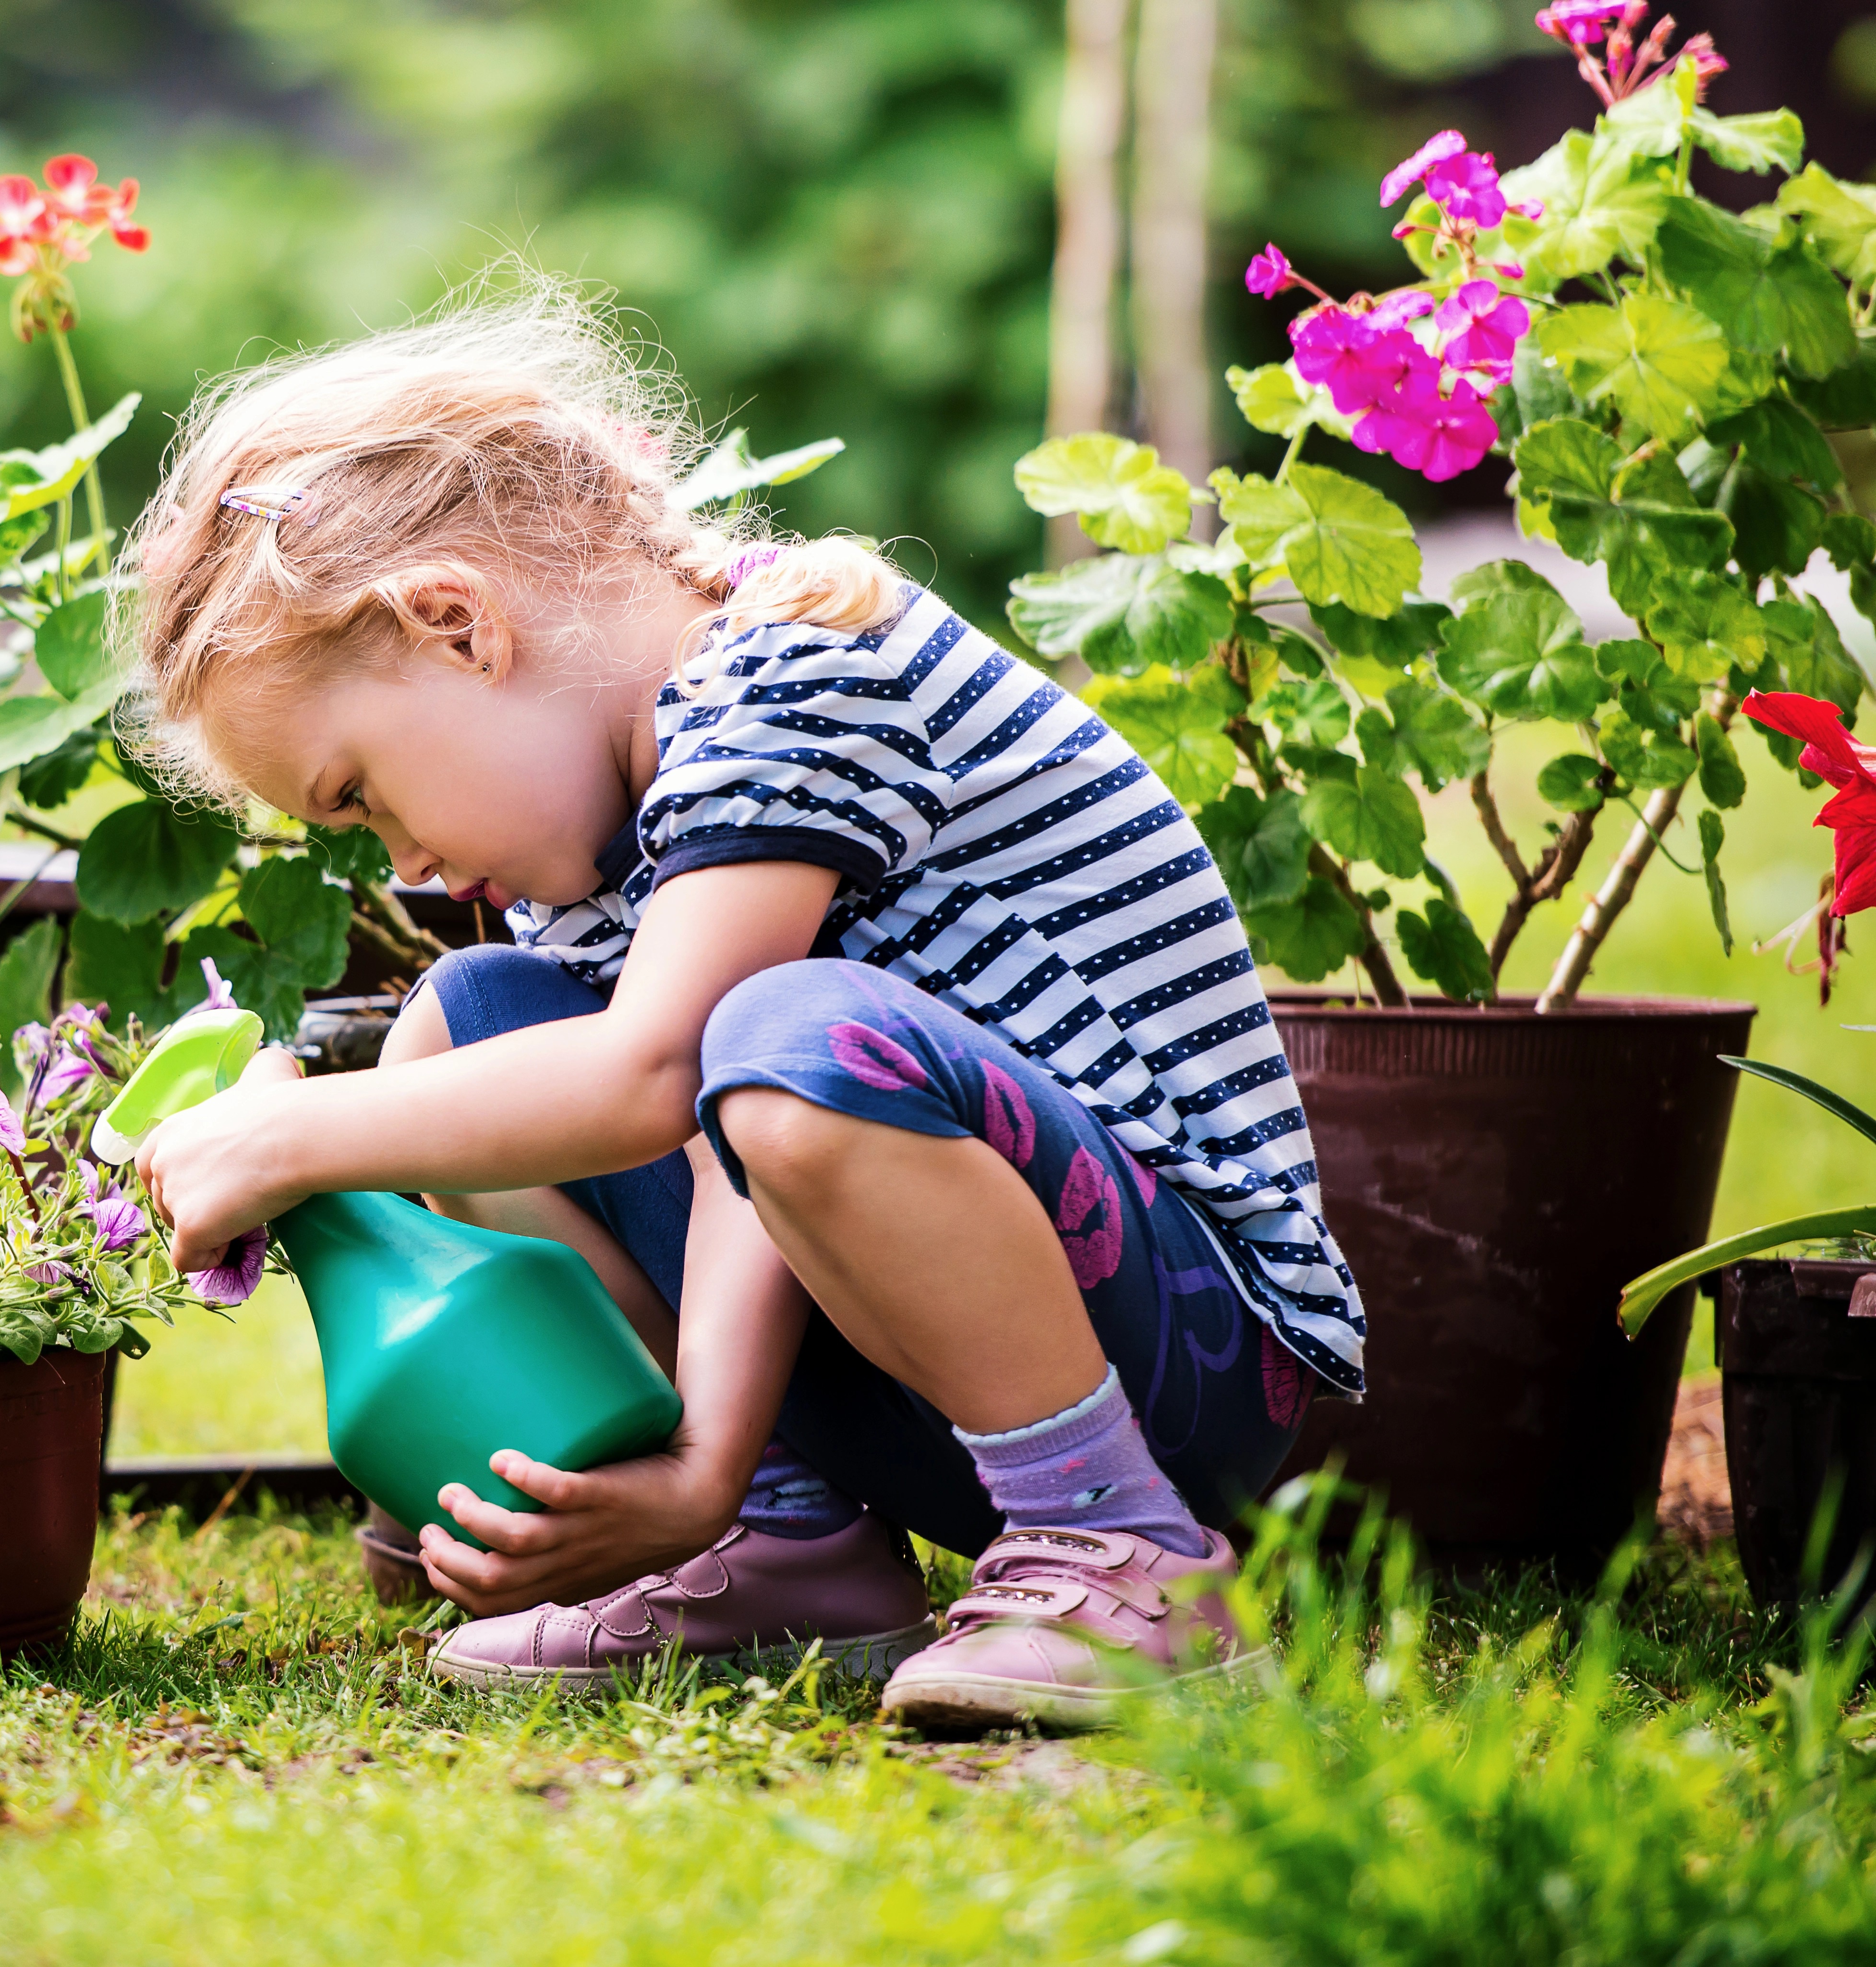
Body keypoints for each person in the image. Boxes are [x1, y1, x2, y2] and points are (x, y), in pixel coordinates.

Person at [123, 280, 1358, 1731]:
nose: (400, 862)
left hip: (1193, 1362)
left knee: (783, 1037)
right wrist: (711, 1470)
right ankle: (792, 1551)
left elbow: (664, 1077)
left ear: (456, 625)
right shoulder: (609, 836)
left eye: (359, 794)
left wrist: (290, 1140)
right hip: (920, 1356)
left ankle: (1127, 1555)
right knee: (472, 1021)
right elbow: (718, 1148)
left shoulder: (796, 670)